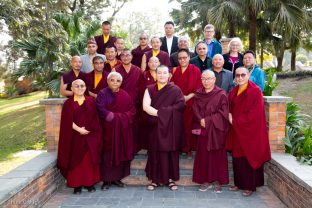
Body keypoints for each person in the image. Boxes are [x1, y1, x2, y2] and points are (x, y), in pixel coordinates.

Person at [227, 67, 271, 196]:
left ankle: (249, 186)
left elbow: (255, 114)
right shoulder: (233, 91)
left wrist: (235, 121)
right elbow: (229, 107)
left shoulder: (256, 91)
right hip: (236, 130)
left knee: (248, 157)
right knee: (237, 157)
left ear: (248, 75)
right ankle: (238, 183)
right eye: (237, 75)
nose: (240, 77)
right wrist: (229, 116)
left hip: (250, 131)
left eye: (243, 75)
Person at [143, 65, 185, 191]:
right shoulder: (149, 89)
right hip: (155, 124)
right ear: (155, 75)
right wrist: (161, 114)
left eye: (164, 73)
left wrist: (163, 113)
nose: (161, 75)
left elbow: (181, 104)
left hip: (171, 126)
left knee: (170, 152)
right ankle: (154, 179)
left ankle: (170, 179)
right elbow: (145, 107)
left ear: (169, 75)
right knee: (155, 152)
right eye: (159, 73)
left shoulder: (176, 89)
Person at [57, 79, 102, 194]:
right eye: (76, 86)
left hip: (89, 135)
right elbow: (66, 121)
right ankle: (76, 185)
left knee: (88, 161)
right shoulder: (68, 103)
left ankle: (89, 184)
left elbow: (95, 118)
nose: (80, 88)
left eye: (82, 86)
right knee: (76, 161)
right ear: (71, 89)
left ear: (85, 87)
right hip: (75, 136)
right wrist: (79, 129)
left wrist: (88, 130)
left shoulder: (91, 101)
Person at [96, 72, 136, 190]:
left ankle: (117, 179)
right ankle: (106, 180)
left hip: (122, 130)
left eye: (118, 81)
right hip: (108, 129)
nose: (115, 82)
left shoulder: (125, 95)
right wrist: (111, 116)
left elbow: (132, 110)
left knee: (120, 151)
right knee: (108, 154)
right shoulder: (102, 94)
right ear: (108, 81)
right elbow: (99, 107)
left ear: (121, 82)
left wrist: (120, 118)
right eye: (112, 80)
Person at [192, 70, 230, 193]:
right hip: (203, 128)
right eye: (203, 79)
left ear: (214, 79)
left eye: (209, 79)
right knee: (203, 154)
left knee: (217, 155)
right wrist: (200, 119)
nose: (206, 81)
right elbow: (195, 109)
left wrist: (208, 120)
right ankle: (205, 180)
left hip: (216, 130)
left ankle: (217, 181)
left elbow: (223, 113)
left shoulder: (221, 94)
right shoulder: (198, 93)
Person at [171, 48, 202, 156]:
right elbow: (172, 87)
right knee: (178, 126)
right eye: (180, 58)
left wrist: (188, 97)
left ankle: (188, 148)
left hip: (191, 102)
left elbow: (199, 88)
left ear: (189, 57)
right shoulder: (176, 71)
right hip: (178, 104)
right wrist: (180, 98)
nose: (182, 60)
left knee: (189, 126)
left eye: (185, 57)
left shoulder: (195, 70)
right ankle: (179, 147)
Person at [115, 49, 145, 152]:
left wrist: (141, 104)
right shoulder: (115, 70)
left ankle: (133, 149)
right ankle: (122, 148)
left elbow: (142, 89)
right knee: (121, 127)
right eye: (123, 55)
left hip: (135, 104)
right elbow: (112, 88)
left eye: (128, 55)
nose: (126, 57)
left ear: (131, 57)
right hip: (120, 105)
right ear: (120, 57)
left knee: (134, 127)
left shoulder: (138, 70)